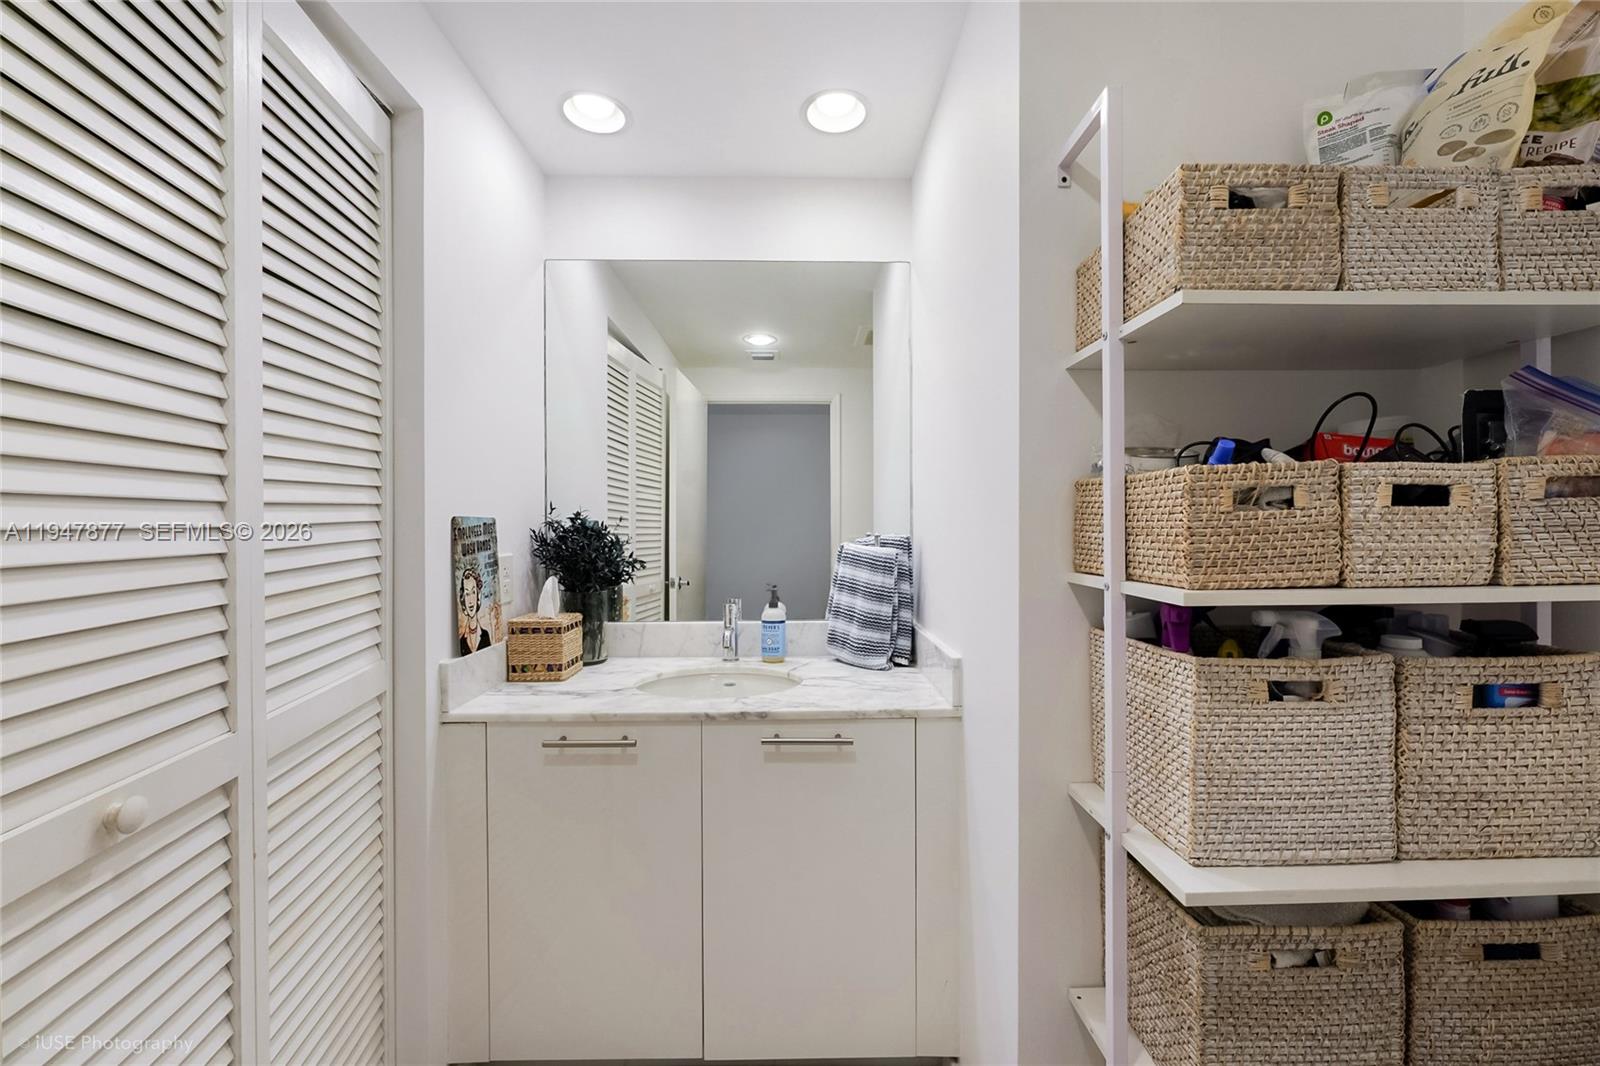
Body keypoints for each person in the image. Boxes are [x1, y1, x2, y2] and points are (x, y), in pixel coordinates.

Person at [458, 566, 494, 655]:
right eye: (467, 594)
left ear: (478, 595)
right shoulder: (462, 641)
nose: (470, 600)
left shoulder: (485, 636)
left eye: (473, 592)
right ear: (463, 599)